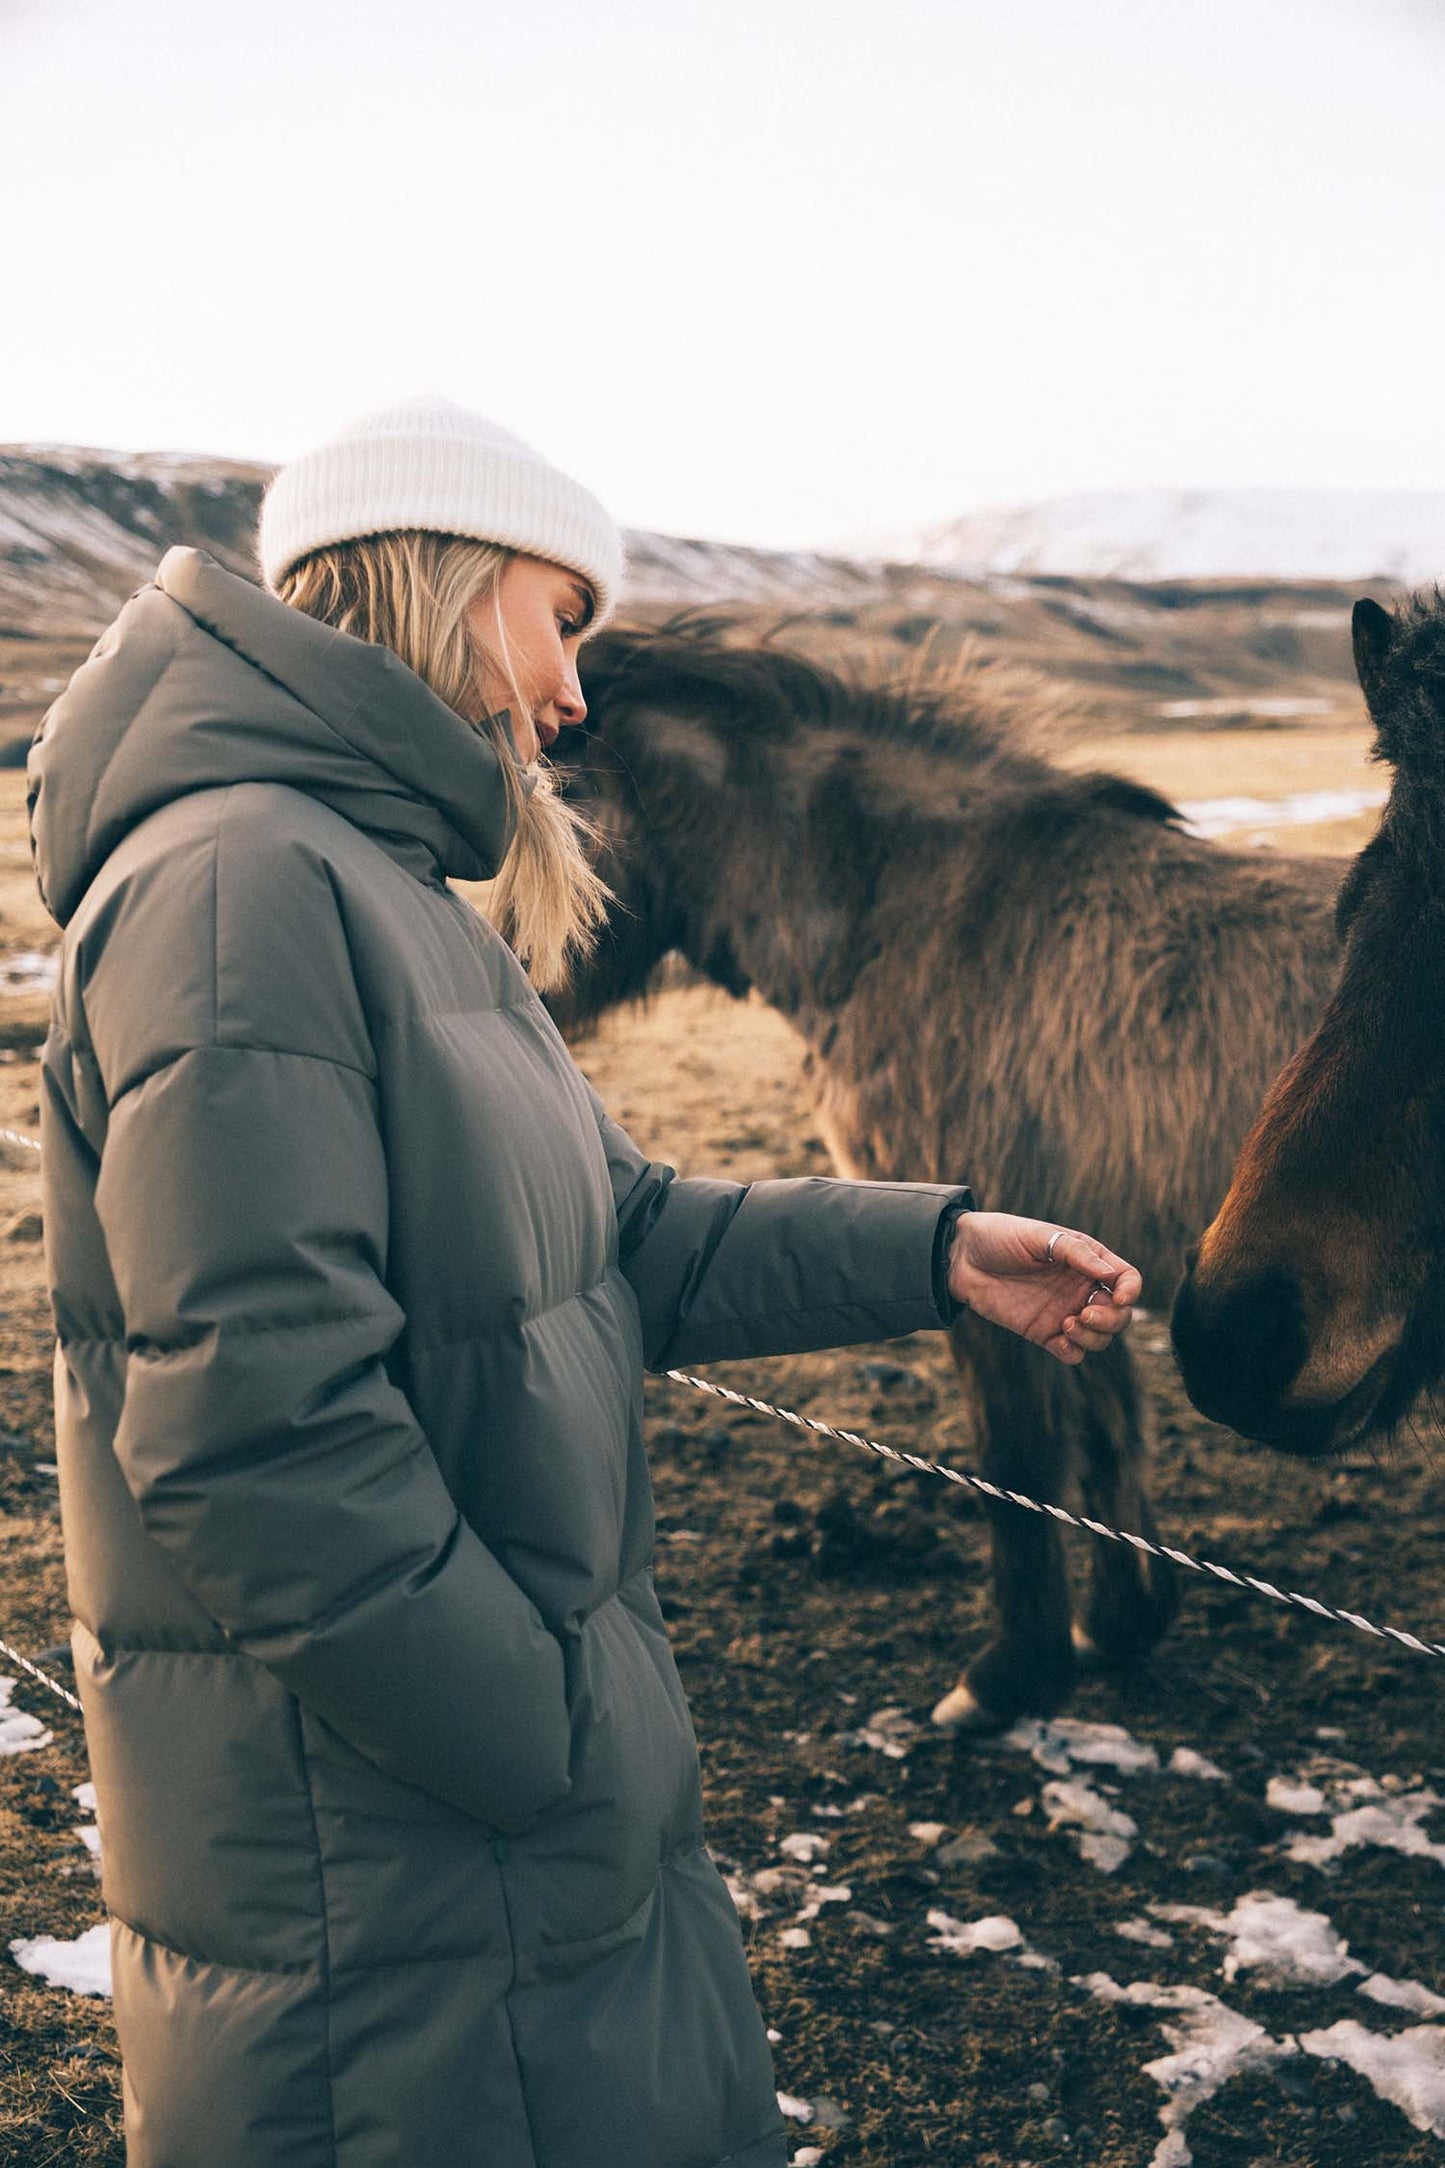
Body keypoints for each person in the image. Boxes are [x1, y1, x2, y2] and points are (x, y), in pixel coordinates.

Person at [28, 397, 1141, 2168]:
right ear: (441, 581)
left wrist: (931, 1247)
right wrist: (546, 1738)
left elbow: (611, 1239)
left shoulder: (370, 884)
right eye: (563, 620)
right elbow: (254, 1442)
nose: (571, 695)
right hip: (392, 1875)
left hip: (476, 1844)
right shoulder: (241, 894)